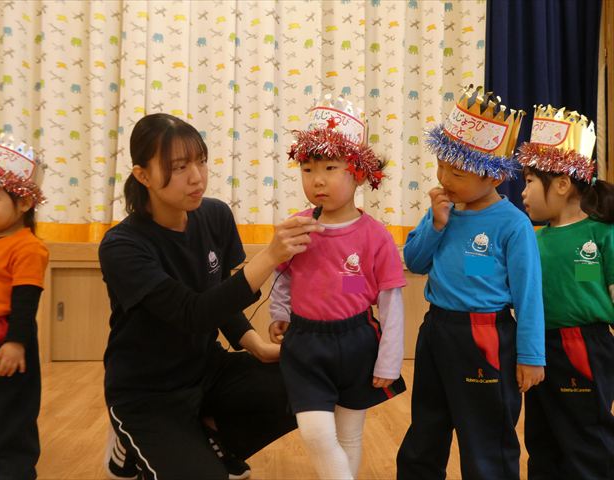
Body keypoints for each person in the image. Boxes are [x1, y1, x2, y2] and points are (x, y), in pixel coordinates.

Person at [100, 113, 323, 480]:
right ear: (143, 175)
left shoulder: (215, 215)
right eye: (179, 166)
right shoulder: (122, 246)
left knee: (312, 375)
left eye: (201, 161)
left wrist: (257, 346)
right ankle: (128, 445)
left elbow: (218, 297)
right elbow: (194, 313)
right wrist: (270, 255)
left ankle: (213, 438)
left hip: (207, 372)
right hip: (147, 394)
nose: (197, 177)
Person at [396, 86, 546, 480]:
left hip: (486, 334)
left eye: (457, 173)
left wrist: (532, 355)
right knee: (426, 426)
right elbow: (415, 262)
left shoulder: (513, 224)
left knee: (486, 434)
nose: (444, 178)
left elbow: (529, 295)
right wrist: (436, 223)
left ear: (494, 175)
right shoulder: (442, 210)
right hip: (437, 329)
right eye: (441, 166)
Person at [269, 96, 406, 480]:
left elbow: (391, 302)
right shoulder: (298, 225)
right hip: (305, 344)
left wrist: (389, 360)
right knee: (315, 432)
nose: (317, 179)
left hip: (357, 343)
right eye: (308, 169)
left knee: (349, 435)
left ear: (358, 174)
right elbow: (283, 275)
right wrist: (279, 313)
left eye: (330, 168)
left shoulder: (376, 235)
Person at [519, 105, 614, 479]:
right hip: (538, 347)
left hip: (583, 344)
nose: (523, 192)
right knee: (541, 437)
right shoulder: (532, 239)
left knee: (585, 433)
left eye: (529, 181)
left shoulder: (600, 233)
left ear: (561, 184)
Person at [0, 136, 48, 480]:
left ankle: (12, 469)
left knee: (7, 406)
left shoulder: (27, 247)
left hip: (2, 334)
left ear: (24, 202)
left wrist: (16, 342)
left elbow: (25, 301)